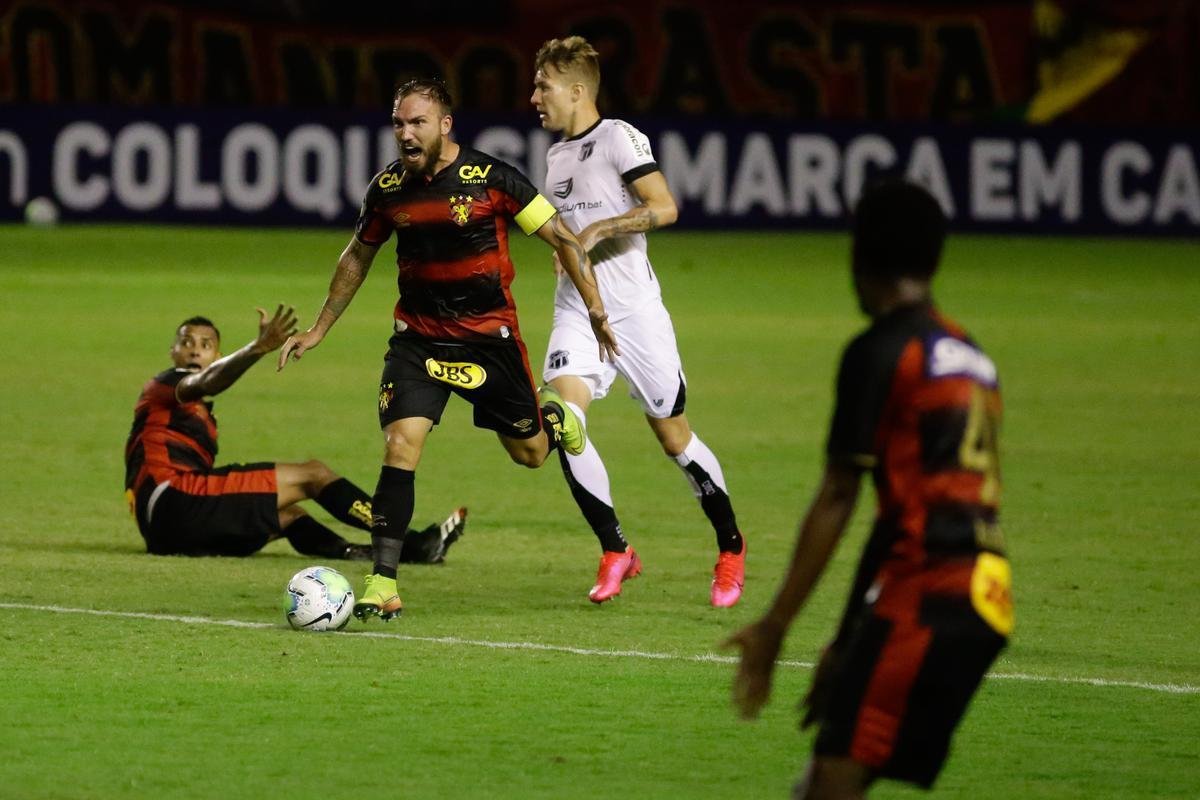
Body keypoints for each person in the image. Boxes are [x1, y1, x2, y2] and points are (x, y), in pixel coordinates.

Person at [278, 78, 619, 621]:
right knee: (401, 444)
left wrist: (596, 308)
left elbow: (561, 239)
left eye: (417, 123)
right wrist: (320, 328)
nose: (405, 134)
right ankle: (383, 583)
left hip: (489, 340)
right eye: (398, 123)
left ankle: (552, 419)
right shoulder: (388, 190)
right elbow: (356, 257)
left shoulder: (493, 180)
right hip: (418, 338)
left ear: (444, 125)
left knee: (529, 454)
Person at [724, 179, 1013, 798]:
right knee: (834, 770)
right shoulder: (971, 355)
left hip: (927, 596)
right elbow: (905, 514)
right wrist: (850, 638)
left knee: (832, 780)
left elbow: (839, 495)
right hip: (985, 593)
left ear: (862, 256)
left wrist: (776, 624)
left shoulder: (881, 351)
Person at [530, 37, 748, 607]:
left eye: (543, 86)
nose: (534, 97)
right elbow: (568, 229)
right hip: (577, 306)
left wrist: (601, 229)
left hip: (633, 310)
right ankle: (615, 549)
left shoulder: (619, 137)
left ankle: (730, 546)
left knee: (673, 435)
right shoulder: (555, 157)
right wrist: (565, 249)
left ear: (577, 91)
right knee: (561, 418)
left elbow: (666, 206)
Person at [124, 310, 467, 563]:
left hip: (164, 527)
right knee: (313, 475)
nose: (195, 351)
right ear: (173, 351)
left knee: (288, 515)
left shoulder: (191, 412)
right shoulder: (168, 384)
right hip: (173, 499)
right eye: (186, 343)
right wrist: (256, 349)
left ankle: (358, 553)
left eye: (205, 345)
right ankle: (408, 542)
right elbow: (206, 381)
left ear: (215, 353)